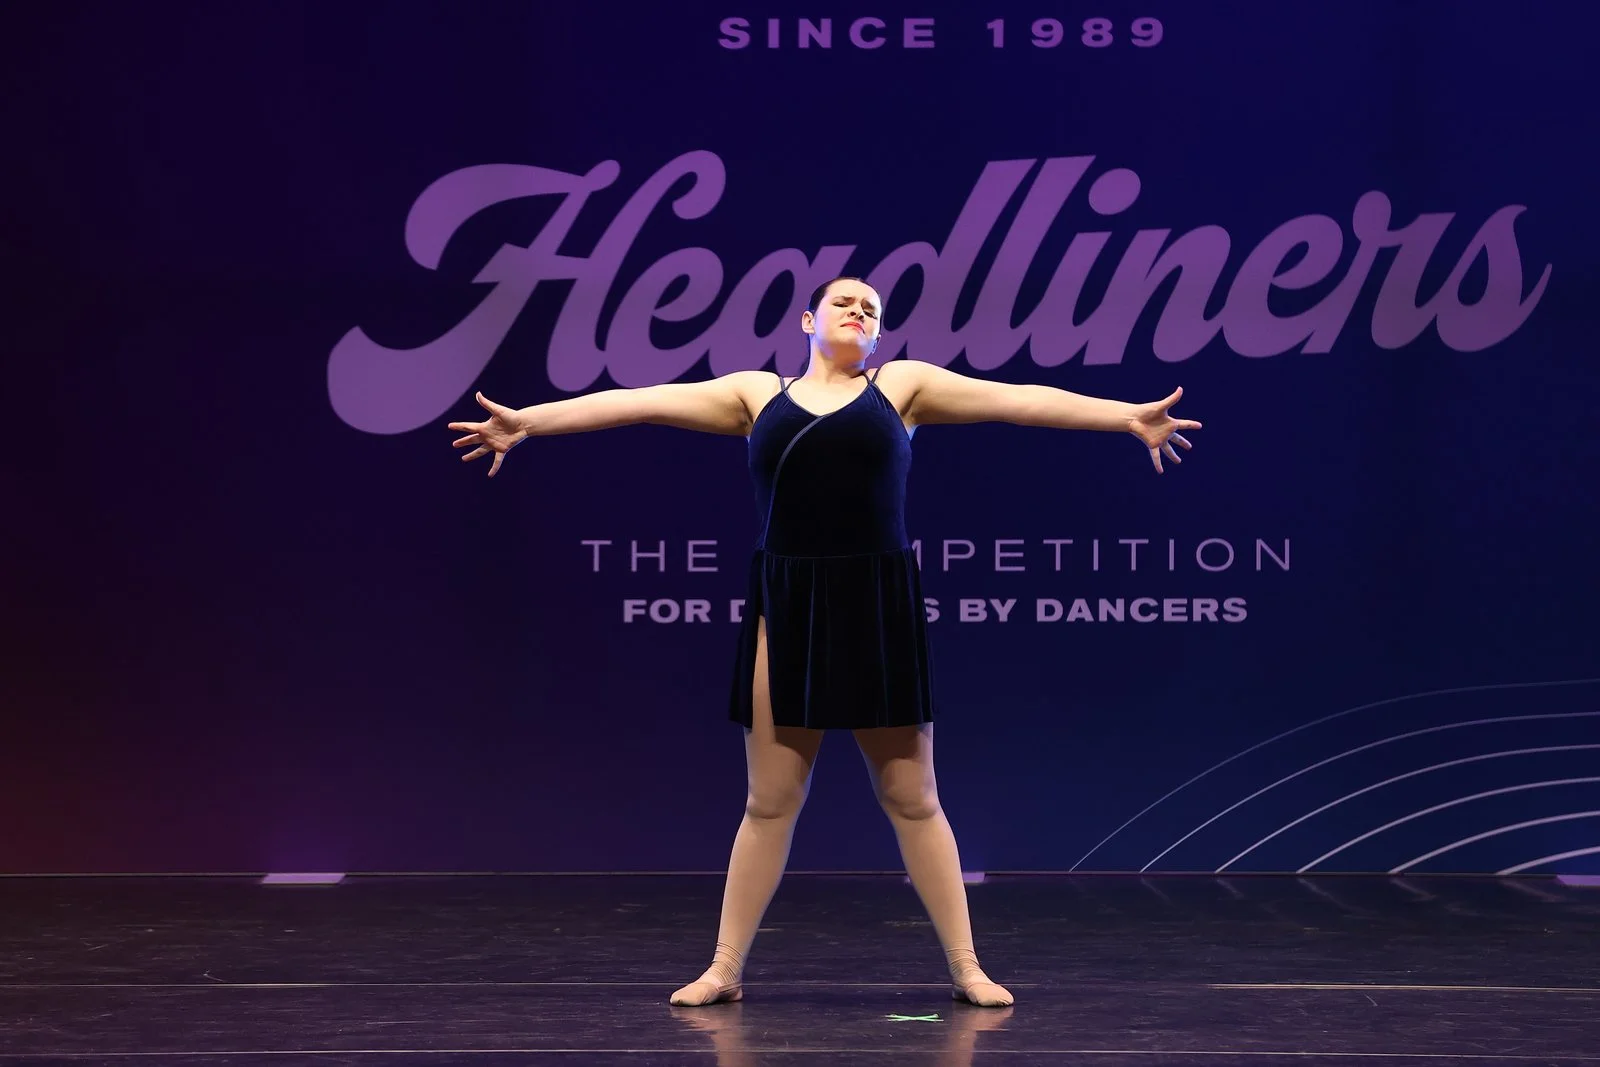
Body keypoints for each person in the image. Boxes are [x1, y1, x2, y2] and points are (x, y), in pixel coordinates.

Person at [448, 276, 1200, 1009]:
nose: (859, 311)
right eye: (843, 301)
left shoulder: (902, 387)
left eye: (871, 308)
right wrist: (530, 421)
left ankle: (968, 968)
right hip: (790, 602)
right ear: (808, 322)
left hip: (877, 604)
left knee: (912, 795)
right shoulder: (755, 395)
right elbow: (638, 403)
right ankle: (724, 967)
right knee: (770, 799)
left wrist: (1124, 416)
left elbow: (1021, 400)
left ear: (879, 333)